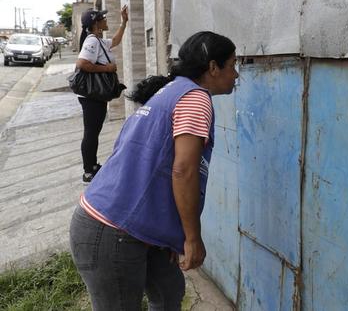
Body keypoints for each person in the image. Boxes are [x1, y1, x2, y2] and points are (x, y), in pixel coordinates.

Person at [69, 31, 238, 310]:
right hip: (111, 230)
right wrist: (191, 238)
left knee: (169, 291)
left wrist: (170, 234)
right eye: (232, 64)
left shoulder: (173, 90)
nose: (236, 73)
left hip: (122, 224)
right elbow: (183, 171)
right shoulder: (196, 98)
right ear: (212, 67)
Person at [76, 5, 128, 183]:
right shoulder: (91, 41)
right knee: (91, 132)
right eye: (102, 18)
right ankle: (88, 171)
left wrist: (124, 22)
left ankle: (93, 165)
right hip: (91, 97)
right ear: (96, 23)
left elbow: (115, 41)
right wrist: (107, 68)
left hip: (96, 96)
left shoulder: (98, 40)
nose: (106, 20)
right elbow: (82, 64)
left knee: (94, 131)